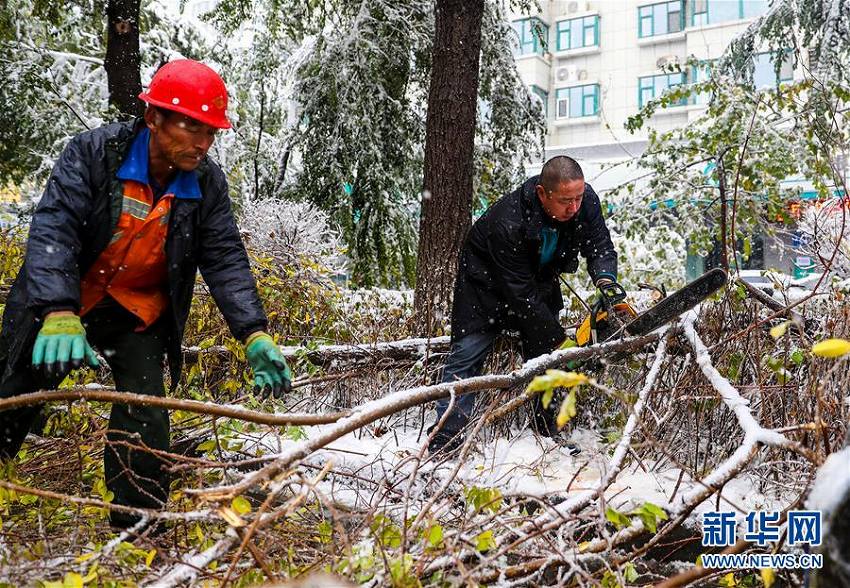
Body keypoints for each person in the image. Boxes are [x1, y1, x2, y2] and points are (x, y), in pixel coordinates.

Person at [0, 59, 291, 529]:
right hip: (66, 300)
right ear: (154, 117)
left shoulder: (206, 183)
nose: (202, 143)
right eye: (190, 127)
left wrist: (254, 332)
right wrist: (56, 308)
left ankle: (137, 525)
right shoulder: (93, 154)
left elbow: (224, 258)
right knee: (14, 390)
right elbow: (56, 228)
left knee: (146, 411)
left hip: (134, 311)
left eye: (210, 132)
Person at [428, 155, 619, 454]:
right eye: (565, 201)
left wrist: (607, 281)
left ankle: (549, 433)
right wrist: (561, 342)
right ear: (543, 194)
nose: (574, 208)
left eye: (578, 198)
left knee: (546, 359)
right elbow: (522, 296)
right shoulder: (507, 222)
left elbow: (599, 246)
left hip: (538, 282)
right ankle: (445, 440)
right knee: (466, 357)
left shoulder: (585, 201)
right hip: (485, 289)